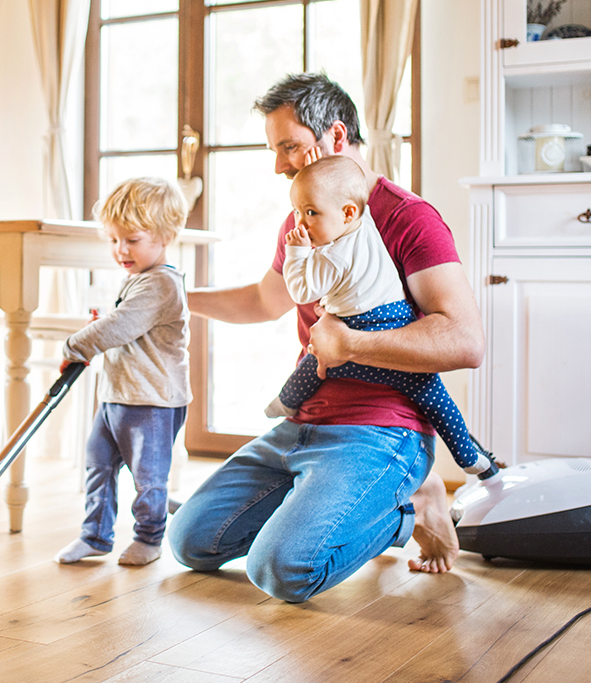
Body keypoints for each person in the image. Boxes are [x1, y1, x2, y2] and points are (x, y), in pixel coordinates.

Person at [168, 73, 483, 599]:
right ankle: (332, 501)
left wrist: (354, 344)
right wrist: (174, 296)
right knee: (191, 543)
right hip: (303, 423)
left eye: (288, 146)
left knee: (282, 571)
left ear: (336, 137)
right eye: (274, 150)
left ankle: (412, 503)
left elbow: (464, 340)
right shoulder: (304, 219)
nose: (278, 165)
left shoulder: (409, 219)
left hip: (381, 428)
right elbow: (263, 301)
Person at [265, 155, 491, 477]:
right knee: (434, 398)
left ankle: (286, 402)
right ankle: (470, 457)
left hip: (359, 331)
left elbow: (302, 291)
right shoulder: (365, 221)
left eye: (310, 213)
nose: (299, 224)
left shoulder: (332, 257)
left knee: (315, 365)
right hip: (395, 317)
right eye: (298, 212)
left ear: (347, 212)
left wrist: (297, 253)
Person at [54, 177, 192, 568]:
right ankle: (95, 535)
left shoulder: (162, 284)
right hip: (117, 394)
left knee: (148, 475)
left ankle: (149, 538)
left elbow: (119, 327)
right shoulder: (138, 279)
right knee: (98, 460)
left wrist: (74, 345)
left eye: (131, 239)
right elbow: (119, 324)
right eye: (114, 239)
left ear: (166, 235)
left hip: (151, 400)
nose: (120, 250)